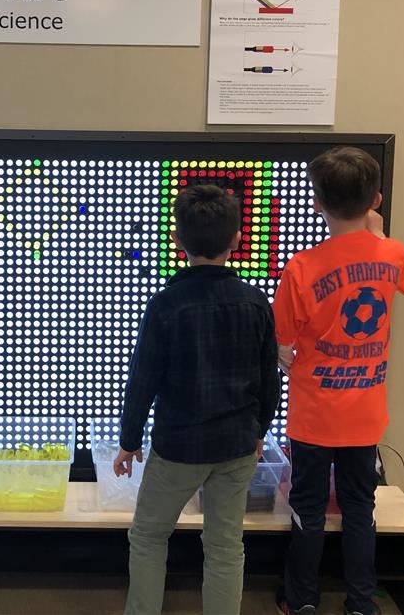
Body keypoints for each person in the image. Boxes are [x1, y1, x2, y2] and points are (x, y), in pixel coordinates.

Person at [114, 184, 281, 615]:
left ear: (177, 239)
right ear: (236, 239)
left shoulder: (166, 304)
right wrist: (260, 430)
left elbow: (143, 379)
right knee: (225, 546)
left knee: (149, 535)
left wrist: (129, 440)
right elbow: (269, 378)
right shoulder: (255, 302)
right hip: (237, 444)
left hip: (179, 446)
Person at [274, 147, 404, 615]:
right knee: (359, 508)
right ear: (375, 200)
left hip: (313, 415)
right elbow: (403, 280)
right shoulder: (392, 253)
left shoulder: (301, 267)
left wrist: (287, 358)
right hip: (365, 415)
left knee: (307, 510)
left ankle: (301, 601)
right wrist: (378, 232)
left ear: (316, 203)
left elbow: (283, 340)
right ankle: (361, 602)